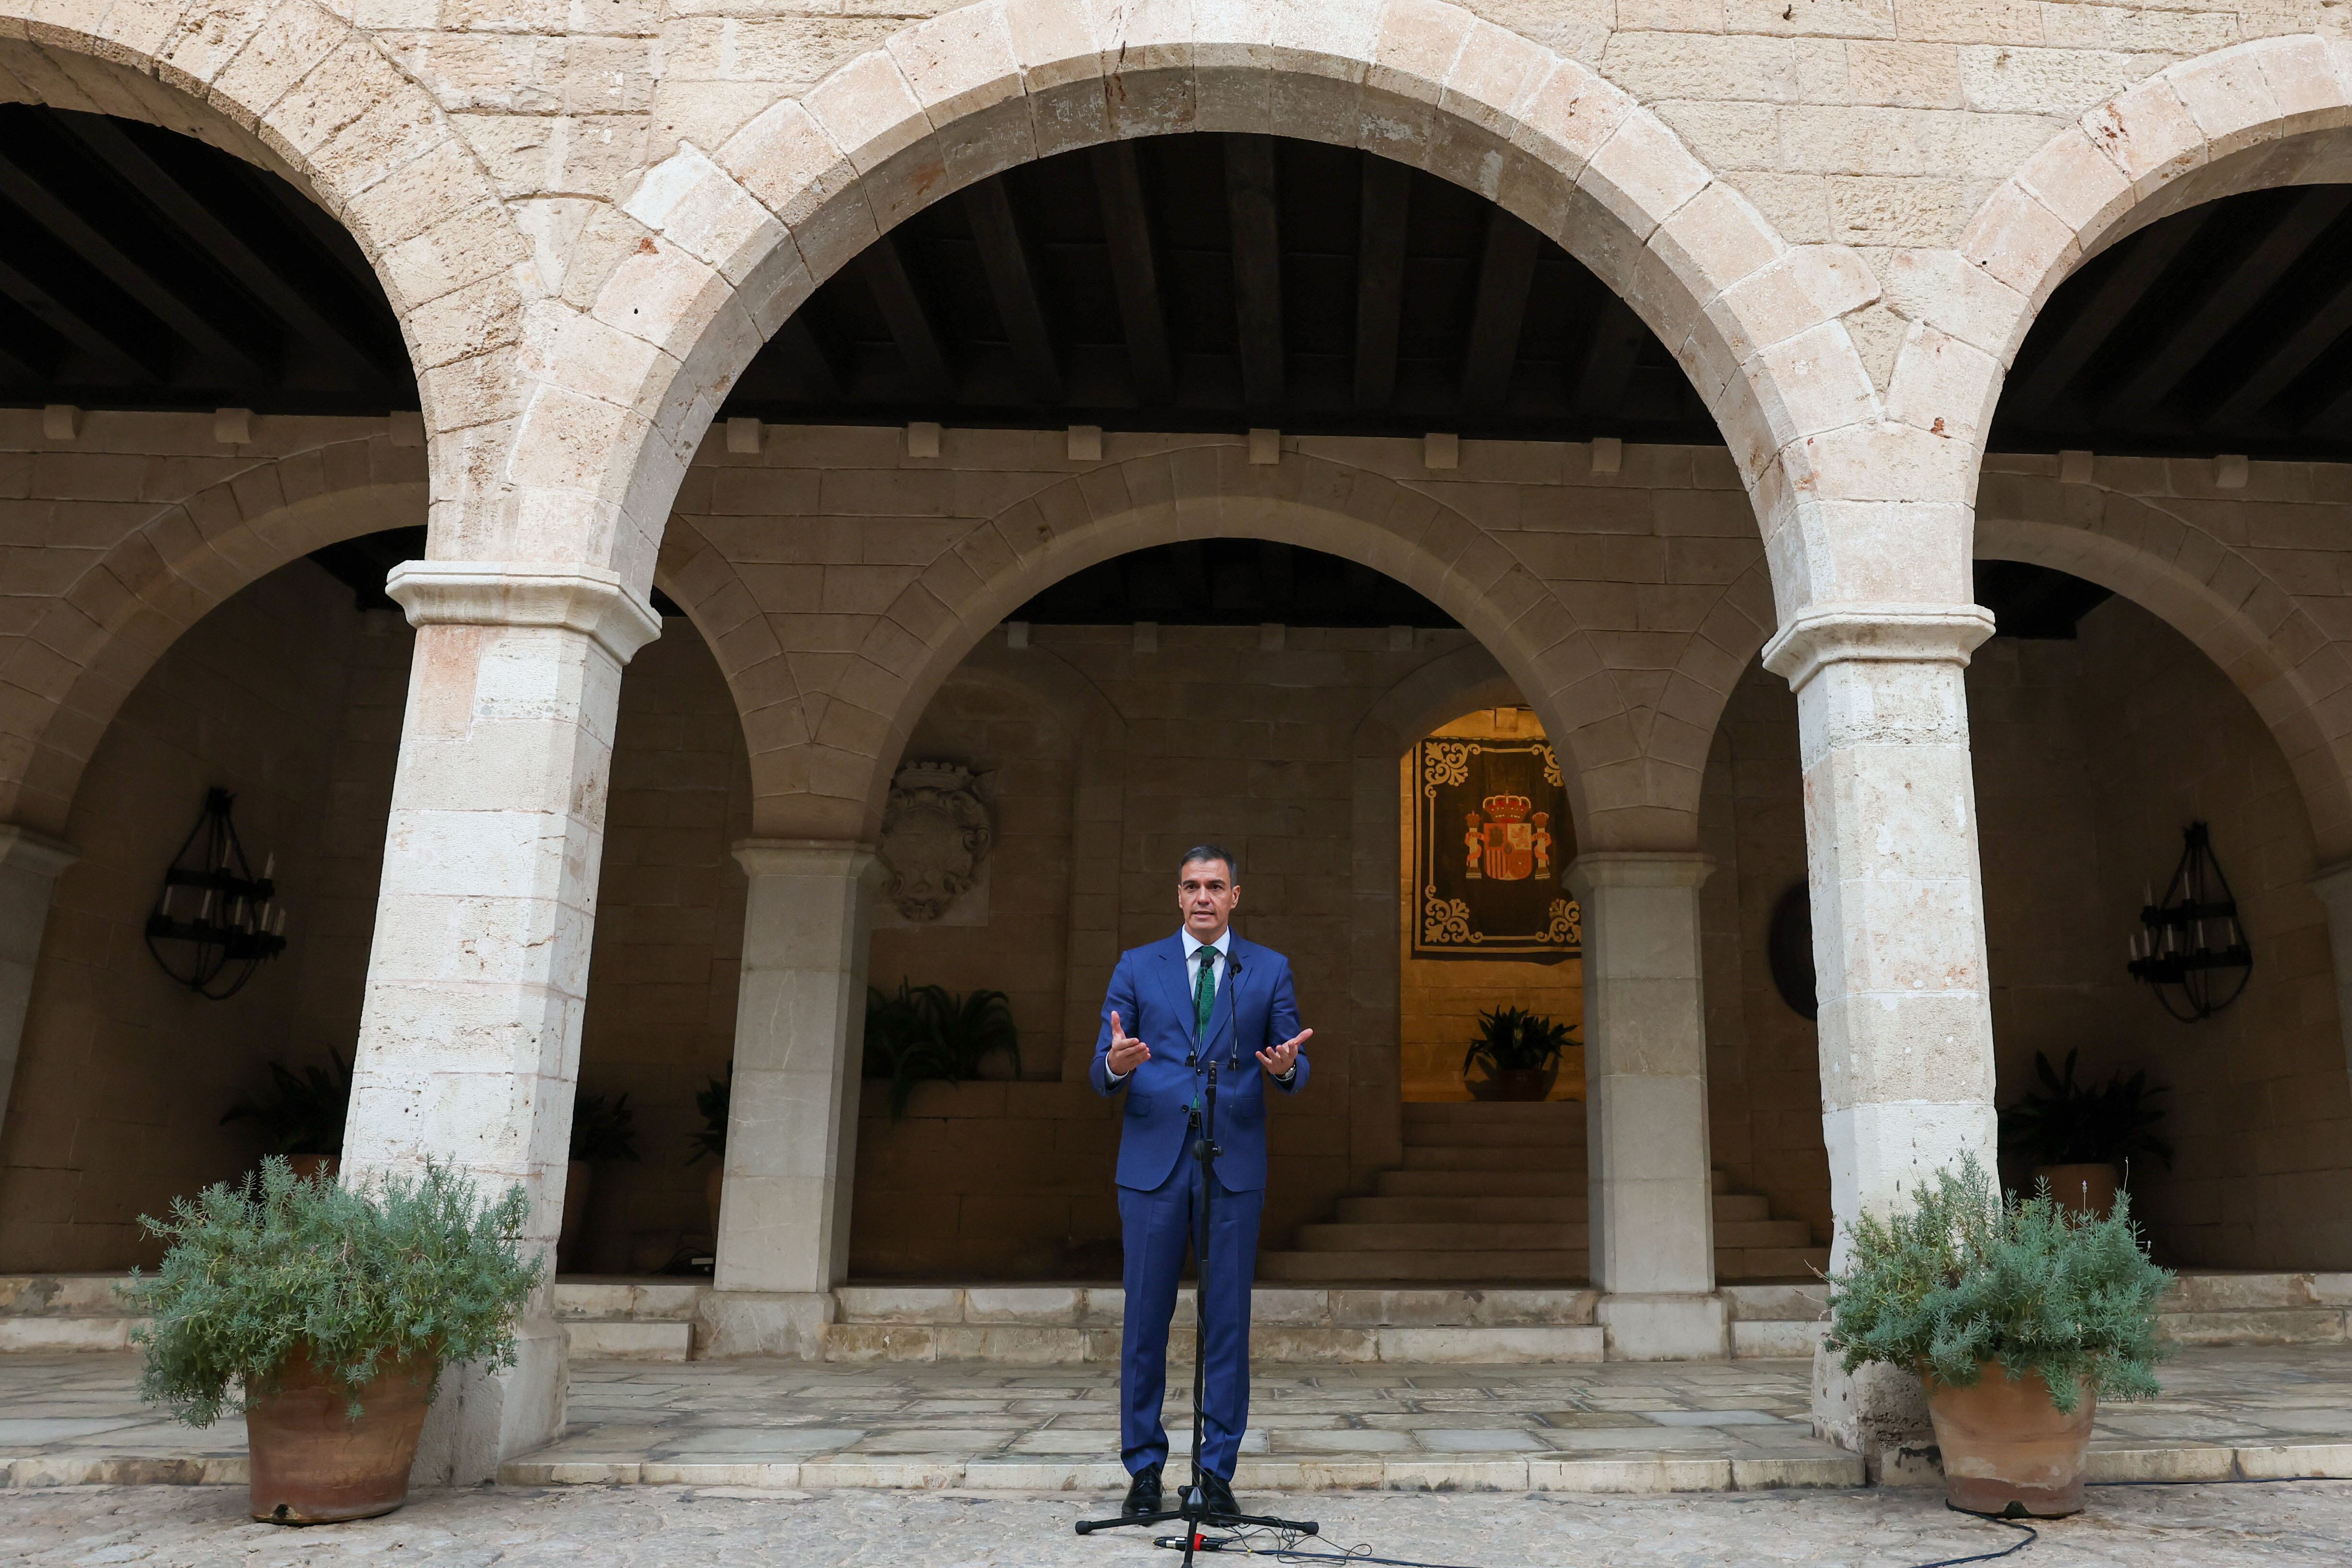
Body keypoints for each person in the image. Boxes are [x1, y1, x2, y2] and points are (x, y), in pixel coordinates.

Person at [1090, 844, 1313, 1519]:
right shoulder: (1138, 966)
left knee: (1227, 1323)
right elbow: (1099, 1069)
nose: (1203, 898)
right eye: (1191, 886)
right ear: (1178, 895)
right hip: (1153, 1168)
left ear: (1236, 896)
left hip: (1231, 1165)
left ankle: (1216, 1474)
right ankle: (1143, 1471)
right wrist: (1120, 1062)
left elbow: (1296, 1066)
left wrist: (1280, 1068)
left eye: (1215, 886)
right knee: (1144, 1322)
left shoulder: (1268, 968)